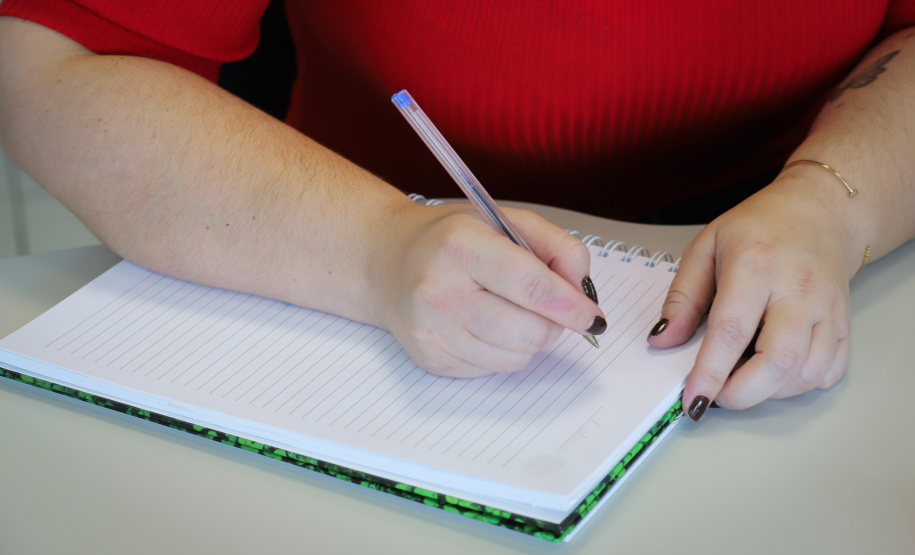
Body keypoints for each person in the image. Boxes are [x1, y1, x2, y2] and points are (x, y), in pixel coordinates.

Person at [1, 1, 914, 422]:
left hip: (826, 215)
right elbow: (47, 63)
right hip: (349, 234)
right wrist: (375, 243)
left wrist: (835, 202)